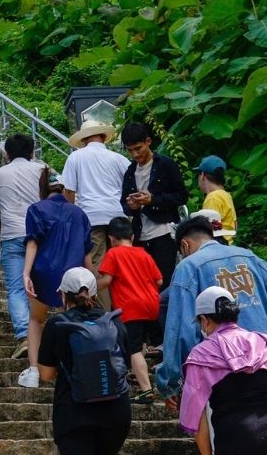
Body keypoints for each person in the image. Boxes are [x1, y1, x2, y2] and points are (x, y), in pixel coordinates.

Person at [156, 216, 267, 405]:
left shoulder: (188, 267)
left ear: (185, 246)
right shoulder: (251, 258)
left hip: (223, 373)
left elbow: (180, 332)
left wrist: (171, 381)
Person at [36, 267, 132, 455]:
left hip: (74, 414)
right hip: (116, 414)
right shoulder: (114, 322)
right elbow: (124, 366)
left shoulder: (57, 324)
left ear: (63, 296)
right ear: (95, 295)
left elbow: (46, 375)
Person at [19, 170, 94, 389]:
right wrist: (91, 282)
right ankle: (68, 368)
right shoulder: (79, 213)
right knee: (69, 321)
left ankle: (34, 371)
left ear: (43, 189)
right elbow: (86, 252)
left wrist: (26, 273)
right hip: (74, 275)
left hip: (43, 272)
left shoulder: (36, 209)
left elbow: (32, 242)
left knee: (36, 320)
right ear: (64, 188)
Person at [179, 286, 267, 454]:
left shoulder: (200, 355)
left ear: (204, 320)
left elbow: (196, 416)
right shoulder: (262, 342)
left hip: (234, 440)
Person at [61, 119, 130, 307]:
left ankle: (104, 312)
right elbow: (131, 187)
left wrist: (71, 219)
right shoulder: (119, 159)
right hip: (119, 217)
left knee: (98, 266)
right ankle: (125, 310)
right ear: (103, 137)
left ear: (83, 139)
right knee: (122, 264)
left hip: (91, 217)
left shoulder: (76, 158)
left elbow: (69, 192)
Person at [0, 133, 43, 360]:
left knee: (16, 288)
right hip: (39, 235)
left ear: (7, 154)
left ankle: (23, 337)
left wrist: (3, 231)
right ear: (31, 152)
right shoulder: (41, 169)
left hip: (11, 235)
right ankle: (41, 333)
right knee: (41, 283)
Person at [96, 216, 163, 402]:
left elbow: (107, 280)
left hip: (130, 306)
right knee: (139, 342)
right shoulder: (144, 254)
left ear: (111, 239)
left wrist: (90, 288)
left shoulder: (114, 254)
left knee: (132, 348)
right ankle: (135, 373)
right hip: (150, 305)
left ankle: (146, 389)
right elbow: (159, 280)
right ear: (132, 237)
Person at [119, 121, 188, 286]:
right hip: (139, 235)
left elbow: (182, 196)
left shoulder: (165, 164)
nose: (135, 154)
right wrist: (131, 205)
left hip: (164, 232)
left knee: (164, 282)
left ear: (148, 141)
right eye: (130, 150)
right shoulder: (130, 171)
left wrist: (153, 200)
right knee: (144, 283)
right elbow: (123, 203)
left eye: (138, 148)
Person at [197, 155, 237, 244]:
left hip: (219, 246)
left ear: (202, 175)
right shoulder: (225, 195)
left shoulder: (213, 198)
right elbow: (235, 223)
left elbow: (213, 229)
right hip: (229, 244)